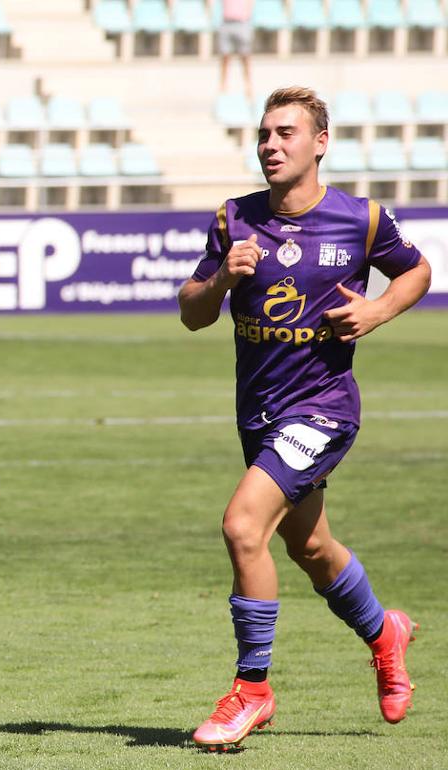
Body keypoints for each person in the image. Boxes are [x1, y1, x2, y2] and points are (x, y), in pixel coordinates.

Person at [178, 86, 430, 752]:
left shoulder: (361, 219)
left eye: (286, 133)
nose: (270, 144)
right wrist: (222, 280)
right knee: (309, 547)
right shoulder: (235, 218)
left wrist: (377, 311)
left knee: (241, 525)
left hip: (323, 409)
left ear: (320, 142)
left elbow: (416, 272)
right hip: (258, 414)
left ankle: (251, 690)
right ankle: (385, 633)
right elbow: (192, 311)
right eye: (264, 134)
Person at [218, 0, 255, 100]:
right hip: (227, 21)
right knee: (225, 57)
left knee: (245, 57)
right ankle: (223, 85)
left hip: (241, 21)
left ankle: (248, 85)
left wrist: (247, 14)